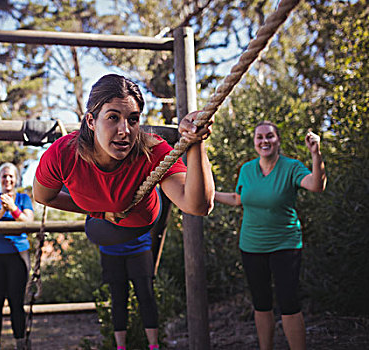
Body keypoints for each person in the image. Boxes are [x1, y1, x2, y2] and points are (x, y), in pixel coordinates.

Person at [33, 74, 215, 350]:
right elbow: (42, 195)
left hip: (142, 221)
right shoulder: (63, 154)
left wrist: (195, 144)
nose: (125, 130)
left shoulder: (153, 150)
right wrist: (99, 212)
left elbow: (198, 206)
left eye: (133, 119)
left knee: (144, 290)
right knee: (115, 287)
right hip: (103, 227)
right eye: (113, 117)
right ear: (91, 121)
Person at [214, 121, 326, 350]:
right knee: (261, 303)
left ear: (278, 140)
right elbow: (237, 199)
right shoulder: (247, 169)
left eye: (269, 136)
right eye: (259, 137)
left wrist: (316, 154)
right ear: (255, 142)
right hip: (251, 246)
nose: (264, 141)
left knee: (289, 303)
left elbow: (316, 185)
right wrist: (209, 193)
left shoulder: (291, 167)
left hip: (285, 244)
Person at [0, 162, 35, 350]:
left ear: (16, 179)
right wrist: (2, 211)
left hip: (18, 254)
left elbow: (28, 222)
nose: (7, 179)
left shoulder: (23, 198)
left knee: (16, 301)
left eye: (11, 176)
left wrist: (13, 208)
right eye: (4, 176)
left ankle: (21, 343)